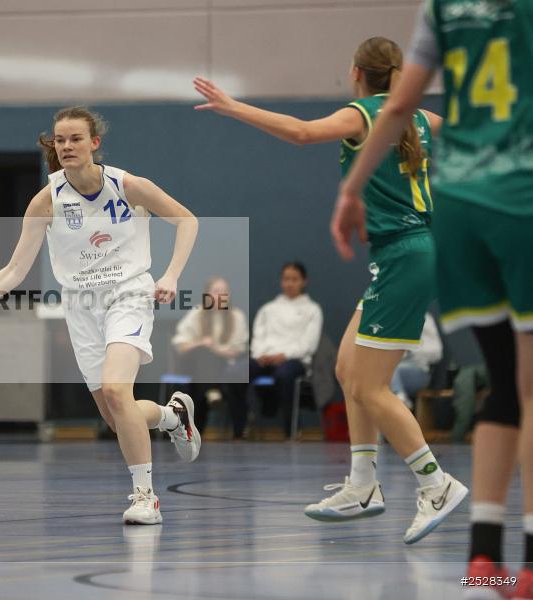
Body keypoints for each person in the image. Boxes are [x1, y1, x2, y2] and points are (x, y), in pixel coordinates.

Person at [195, 36, 467, 544]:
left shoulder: (364, 115)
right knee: (346, 367)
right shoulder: (422, 119)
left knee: (370, 387)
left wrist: (234, 107)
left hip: (405, 254)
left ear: (358, 72)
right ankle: (363, 486)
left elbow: (301, 132)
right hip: (402, 253)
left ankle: (436, 483)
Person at [334, 2, 533, 592]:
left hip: (462, 210)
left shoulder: (444, 9)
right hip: (518, 196)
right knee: (528, 385)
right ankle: (525, 563)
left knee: (503, 381)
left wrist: (349, 193)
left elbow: (398, 108)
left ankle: (483, 560)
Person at [0, 106, 200, 525]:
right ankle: (173, 416)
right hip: (81, 306)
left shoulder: (128, 185)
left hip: (129, 294)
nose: (66, 146)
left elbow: (186, 220)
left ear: (94, 144)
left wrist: (172, 275)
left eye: (75, 139)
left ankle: (145, 497)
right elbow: (15, 270)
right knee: (115, 415)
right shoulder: (46, 201)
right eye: (60, 140)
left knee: (118, 392)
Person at [248, 262, 322, 437]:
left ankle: (290, 431)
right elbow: (258, 337)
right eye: (286, 279)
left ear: (304, 281)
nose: (290, 283)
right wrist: (261, 355)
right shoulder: (268, 309)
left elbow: (308, 344)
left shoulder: (312, 310)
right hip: (265, 358)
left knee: (283, 375)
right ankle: (239, 430)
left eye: (294, 279)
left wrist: (285, 355)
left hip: (294, 361)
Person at [171, 276, 249, 435]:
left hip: (224, 365)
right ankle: (213, 391)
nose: (220, 295)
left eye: (224, 291)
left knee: (201, 379)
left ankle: (196, 427)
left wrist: (215, 349)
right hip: (193, 363)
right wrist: (201, 344)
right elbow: (180, 344)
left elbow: (238, 350)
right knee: (203, 354)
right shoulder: (197, 313)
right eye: (216, 291)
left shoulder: (237, 316)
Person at [391, 312, 443, 409]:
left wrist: (413, 349)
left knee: (390, 369)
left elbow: (437, 354)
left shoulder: (425, 319)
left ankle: (401, 403)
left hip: (420, 372)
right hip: (395, 371)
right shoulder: (393, 318)